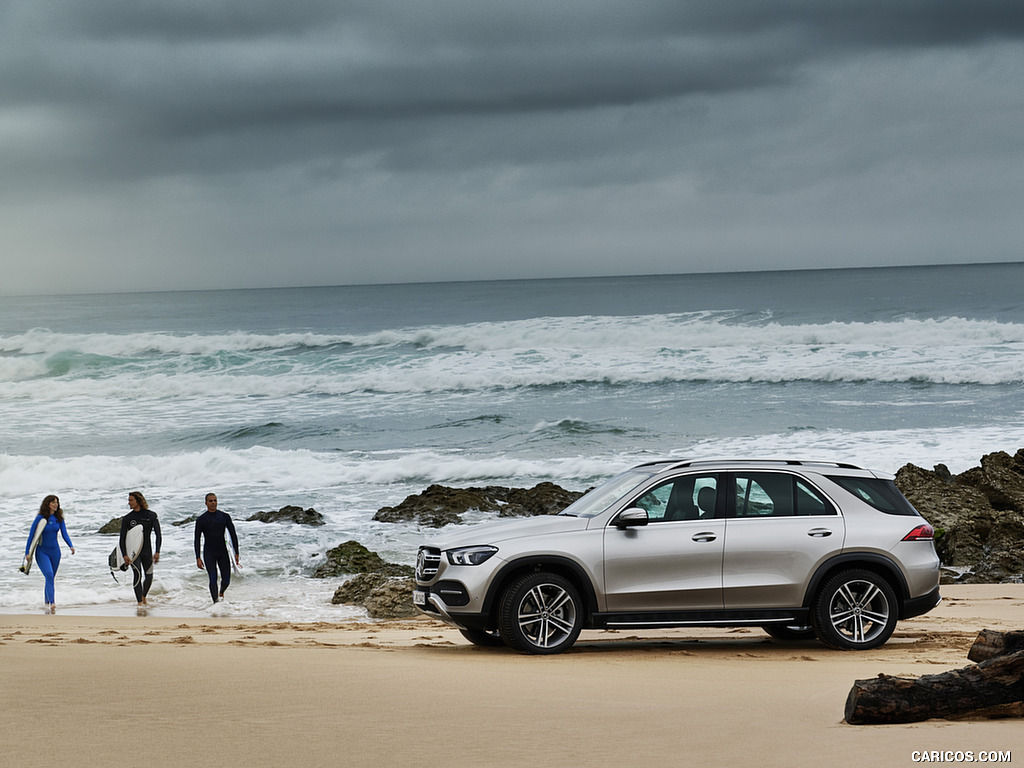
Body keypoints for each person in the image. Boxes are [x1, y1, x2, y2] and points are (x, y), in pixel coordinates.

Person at [23, 495, 75, 614]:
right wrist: (27, 552)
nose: (56, 504)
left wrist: (70, 545)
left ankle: (46, 604)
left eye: (57, 502)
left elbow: (64, 534)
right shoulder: (40, 519)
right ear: (47, 504)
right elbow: (31, 536)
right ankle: (52, 603)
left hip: (55, 552)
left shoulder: (59, 519)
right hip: (42, 552)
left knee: (50, 578)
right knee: (49, 575)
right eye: (53, 502)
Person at [118, 491, 162, 614]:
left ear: (138, 501)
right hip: (134, 553)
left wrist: (157, 551)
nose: (129, 502)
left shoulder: (151, 515)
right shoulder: (127, 518)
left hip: (147, 551)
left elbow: (158, 534)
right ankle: (139, 603)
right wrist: (125, 555)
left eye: (131, 500)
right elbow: (122, 539)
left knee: (149, 576)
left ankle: (143, 596)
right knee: (137, 575)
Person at [194, 492, 240, 604]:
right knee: (213, 579)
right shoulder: (201, 519)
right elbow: (197, 539)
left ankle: (221, 592)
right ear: (206, 503)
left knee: (226, 580)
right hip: (209, 552)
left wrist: (236, 553)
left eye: (215, 500)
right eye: (210, 501)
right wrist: (198, 557)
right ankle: (216, 603)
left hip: (223, 552)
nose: (213, 503)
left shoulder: (224, 517)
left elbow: (233, 535)